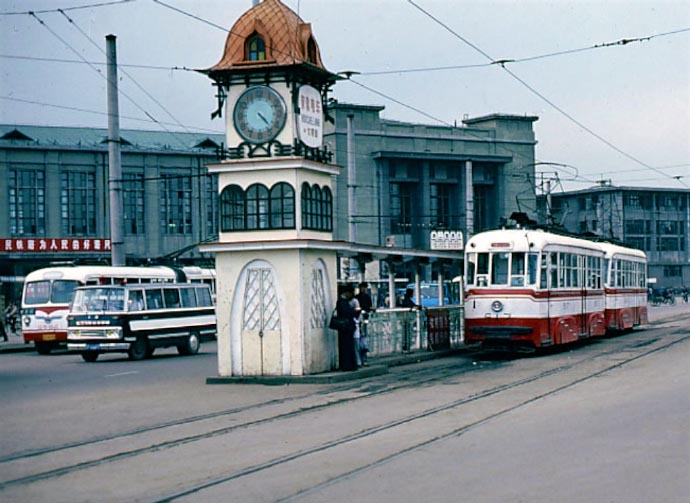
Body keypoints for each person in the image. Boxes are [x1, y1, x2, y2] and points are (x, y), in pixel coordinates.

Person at [335, 283, 359, 371]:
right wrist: (354, 311)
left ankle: (350, 364)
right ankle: (347, 365)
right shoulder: (342, 302)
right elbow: (346, 313)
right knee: (346, 347)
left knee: (348, 346)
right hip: (345, 327)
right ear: (347, 293)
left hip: (346, 327)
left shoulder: (343, 301)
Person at [356, 282, 375, 365]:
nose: (364, 289)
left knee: (363, 338)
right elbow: (362, 308)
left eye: (365, 288)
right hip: (358, 321)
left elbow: (369, 307)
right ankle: (361, 359)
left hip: (365, 320)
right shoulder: (357, 298)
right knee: (360, 339)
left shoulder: (367, 297)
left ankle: (363, 359)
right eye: (362, 287)